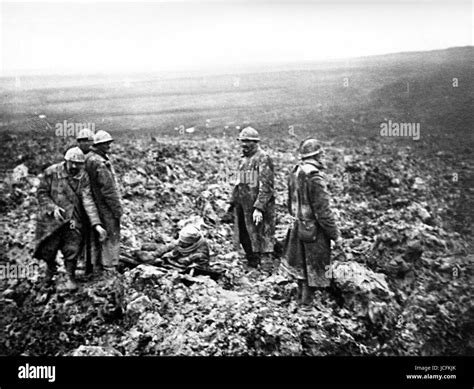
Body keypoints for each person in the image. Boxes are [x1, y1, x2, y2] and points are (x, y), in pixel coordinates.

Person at [34, 147, 107, 290]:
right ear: (66, 161)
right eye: (71, 163)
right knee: (48, 248)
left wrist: (96, 224)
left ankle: (70, 276)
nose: (74, 166)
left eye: (78, 164)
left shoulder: (83, 177)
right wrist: (52, 208)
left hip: (73, 219)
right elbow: (42, 193)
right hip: (52, 220)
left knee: (72, 246)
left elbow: (88, 200)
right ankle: (50, 268)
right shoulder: (52, 172)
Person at [283, 138, 342, 306]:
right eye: (322, 154)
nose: (324, 157)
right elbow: (323, 212)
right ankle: (307, 308)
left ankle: (300, 303)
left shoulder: (295, 172)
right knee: (312, 269)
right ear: (317, 155)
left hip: (296, 226)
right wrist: (335, 236)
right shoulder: (314, 177)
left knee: (301, 268)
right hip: (313, 231)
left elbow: (289, 202)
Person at [224, 127, 275, 274]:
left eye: (247, 142)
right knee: (245, 233)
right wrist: (231, 201)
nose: (243, 145)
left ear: (255, 142)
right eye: (242, 141)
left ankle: (267, 269)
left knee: (263, 235)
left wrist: (259, 207)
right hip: (243, 204)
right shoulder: (243, 160)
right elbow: (239, 183)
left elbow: (267, 186)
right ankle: (252, 263)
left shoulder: (263, 158)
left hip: (258, 204)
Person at [85, 130, 122, 276]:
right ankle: (109, 267)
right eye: (106, 144)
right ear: (98, 145)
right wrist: (117, 209)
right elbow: (108, 190)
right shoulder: (100, 163)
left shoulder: (88, 158)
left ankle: (95, 266)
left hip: (93, 203)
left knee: (96, 236)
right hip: (104, 205)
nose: (109, 146)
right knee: (111, 233)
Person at [76, 128, 95, 274]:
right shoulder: (76, 156)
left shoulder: (92, 157)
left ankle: (90, 264)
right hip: (78, 202)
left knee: (91, 235)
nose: (85, 144)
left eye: (87, 141)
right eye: (82, 141)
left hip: (90, 201)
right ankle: (81, 264)